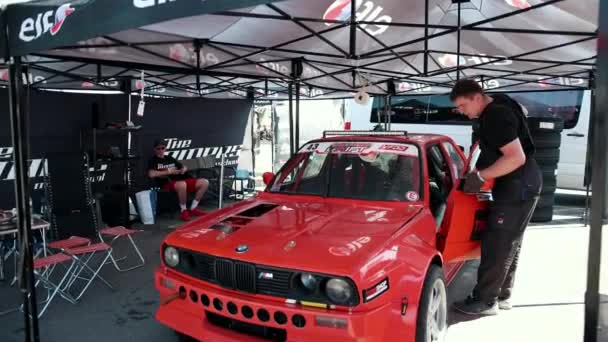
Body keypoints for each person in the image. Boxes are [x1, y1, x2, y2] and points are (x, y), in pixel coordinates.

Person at [450, 79, 542, 315]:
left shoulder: (495, 116)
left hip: (518, 182)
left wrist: (480, 176)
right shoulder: (500, 103)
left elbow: (515, 157)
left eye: (463, 105)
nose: (462, 112)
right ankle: (502, 295)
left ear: (477, 98)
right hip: (524, 180)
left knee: (497, 241)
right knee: (510, 240)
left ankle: (485, 301)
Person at [148, 139, 209, 221]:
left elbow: (183, 167)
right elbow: (151, 174)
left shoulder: (169, 158)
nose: (160, 150)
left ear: (165, 148)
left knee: (204, 182)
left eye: (162, 148)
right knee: (182, 184)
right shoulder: (153, 160)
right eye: (158, 148)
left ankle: (193, 208)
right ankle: (184, 210)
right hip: (167, 183)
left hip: (181, 179)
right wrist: (168, 171)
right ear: (154, 149)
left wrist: (183, 169)